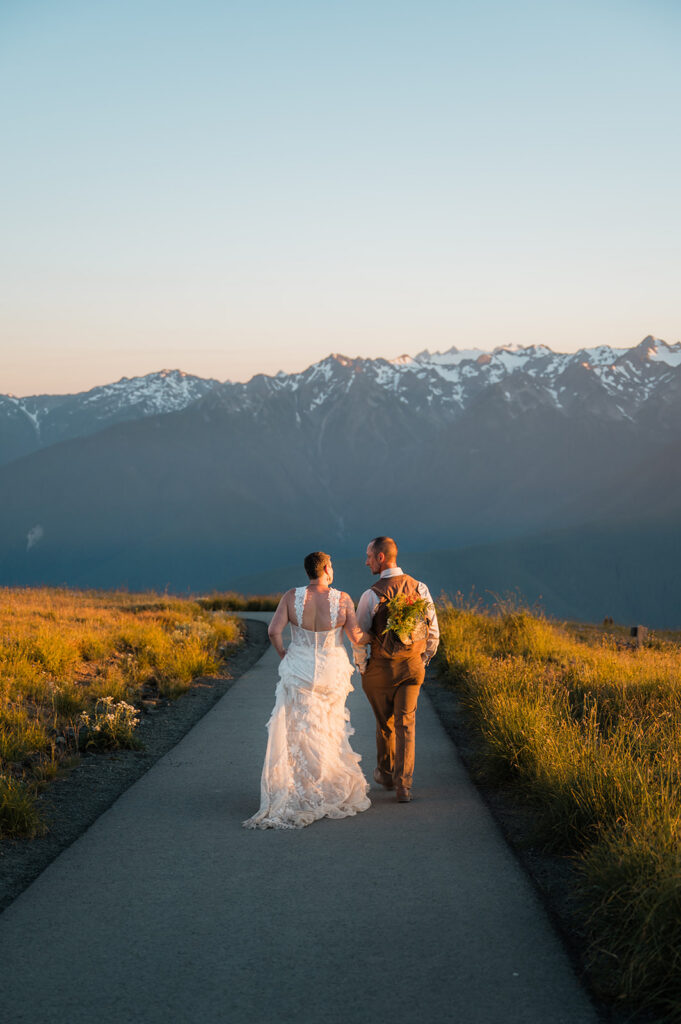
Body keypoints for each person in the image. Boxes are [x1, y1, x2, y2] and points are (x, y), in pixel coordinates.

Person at [243, 551, 372, 830]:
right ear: (326, 568)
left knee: (300, 728)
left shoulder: (291, 597)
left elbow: (273, 631)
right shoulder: (343, 599)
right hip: (331, 671)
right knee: (328, 725)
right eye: (332, 565)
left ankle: (302, 787)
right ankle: (326, 784)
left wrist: (283, 654)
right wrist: (381, 631)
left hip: (299, 667)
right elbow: (357, 637)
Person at [353, 536, 439, 803]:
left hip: (381, 668)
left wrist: (363, 666)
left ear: (381, 557)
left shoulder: (371, 594)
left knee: (385, 724)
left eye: (369, 556)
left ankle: (386, 773)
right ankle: (404, 786)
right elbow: (433, 631)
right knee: (406, 723)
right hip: (412, 667)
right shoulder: (420, 588)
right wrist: (422, 659)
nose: (366, 561)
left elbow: (359, 636)